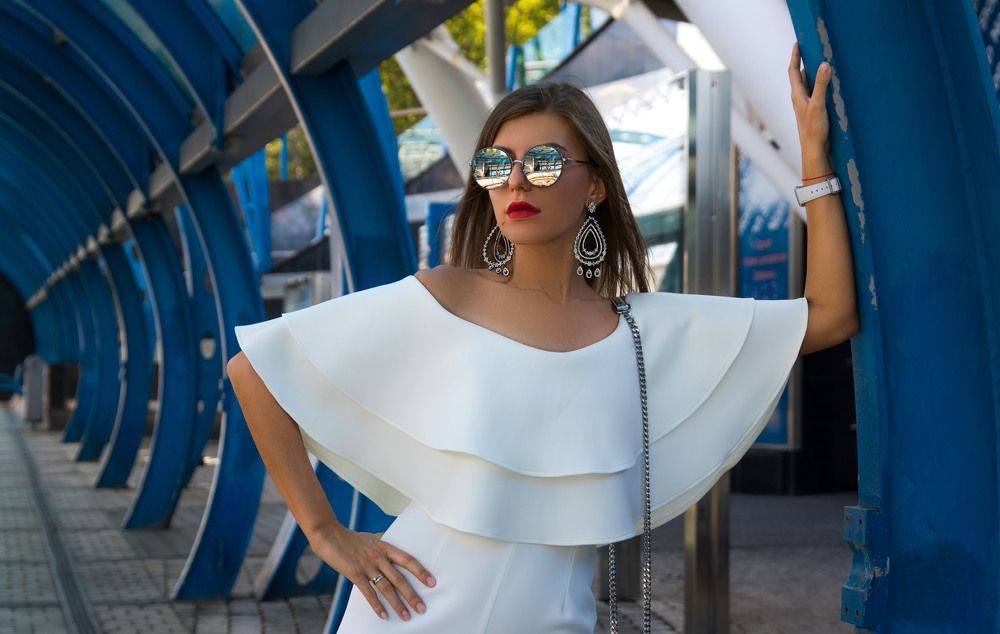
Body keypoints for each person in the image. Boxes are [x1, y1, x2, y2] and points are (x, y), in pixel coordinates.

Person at [227, 42, 857, 632]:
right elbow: (253, 372)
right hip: (415, 611)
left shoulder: (642, 329)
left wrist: (813, 161)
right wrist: (324, 531)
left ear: (596, 186)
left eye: (545, 162)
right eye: (497, 165)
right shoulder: (447, 296)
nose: (518, 181)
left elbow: (828, 314)